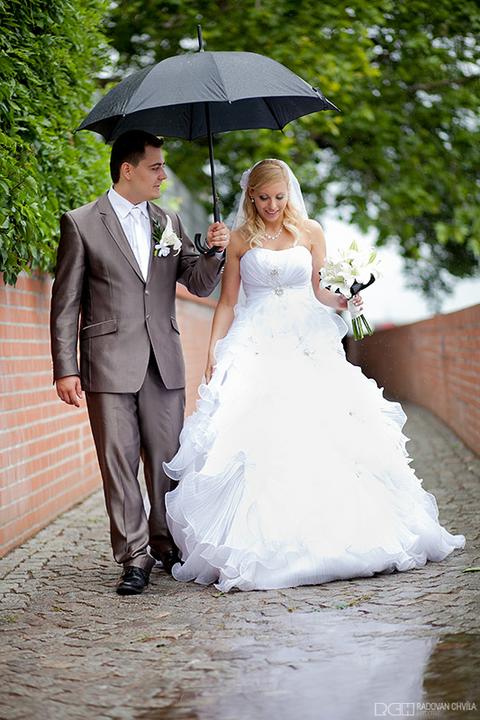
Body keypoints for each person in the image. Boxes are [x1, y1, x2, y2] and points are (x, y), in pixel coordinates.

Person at [163, 158, 465, 592]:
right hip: (256, 341)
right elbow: (227, 302)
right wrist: (214, 348)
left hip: (307, 336)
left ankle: (350, 533)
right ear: (251, 196)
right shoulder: (240, 239)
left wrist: (346, 301)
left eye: (279, 197)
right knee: (259, 431)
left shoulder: (310, 231)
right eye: (263, 198)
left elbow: (321, 290)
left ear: (289, 193)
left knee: (327, 425)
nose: (272, 205)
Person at [50, 130, 229, 595]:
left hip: (163, 361)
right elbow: (65, 302)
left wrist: (214, 252)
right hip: (107, 363)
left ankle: (165, 543)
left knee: (167, 461)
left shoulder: (167, 221)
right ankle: (134, 556)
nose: (163, 175)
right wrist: (65, 367)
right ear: (127, 170)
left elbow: (198, 283)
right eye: (155, 167)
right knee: (119, 462)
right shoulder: (81, 223)